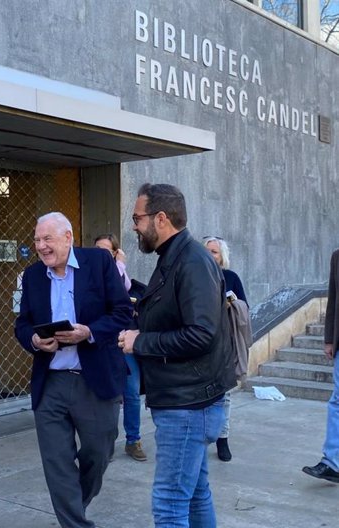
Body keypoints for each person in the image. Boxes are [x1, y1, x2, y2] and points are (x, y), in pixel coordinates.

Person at [119, 183, 236, 528]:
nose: (134, 226)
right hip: (186, 399)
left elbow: (201, 333)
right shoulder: (176, 256)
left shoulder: (192, 261)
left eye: (137, 218)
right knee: (196, 494)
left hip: (188, 404)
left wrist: (141, 342)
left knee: (170, 503)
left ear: (161, 218)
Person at [15, 212, 132, 528]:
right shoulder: (33, 276)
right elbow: (22, 324)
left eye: (47, 238)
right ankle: (75, 523)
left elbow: (123, 313)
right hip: (50, 381)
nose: (40, 246)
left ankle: (72, 507)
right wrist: (36, 340)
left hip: (94, 381)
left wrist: (88, 332)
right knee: (57, 463)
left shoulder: (98, 262)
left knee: (98, 453)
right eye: (37, 240)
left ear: (68, 237)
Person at [95, 233, 147, 462]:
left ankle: (133, 440)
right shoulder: (89, 275)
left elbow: (119, 286)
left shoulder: (121, 276)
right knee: (105, 396)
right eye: (97, 250)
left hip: (124, 343)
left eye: (106, 251)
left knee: (132, 393)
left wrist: (120, 264)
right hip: (103, 343)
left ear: (116, 254)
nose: (101, 256)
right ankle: (104, 443)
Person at [203, 236, 250, 462]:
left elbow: (245, 308)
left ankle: (223, 438)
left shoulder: (231, 277)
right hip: (200, 344)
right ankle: (203, 436)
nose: (211, 255)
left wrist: (232, 304)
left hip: (225, 343)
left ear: (222, 257)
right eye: (208, 251)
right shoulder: (196, 276)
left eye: (215, 252)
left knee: (225, 395)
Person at [302, 248, 339, 484]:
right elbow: (333, 297)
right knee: (337, 402)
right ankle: (332, 463)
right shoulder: (337, 256)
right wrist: (328, 339)